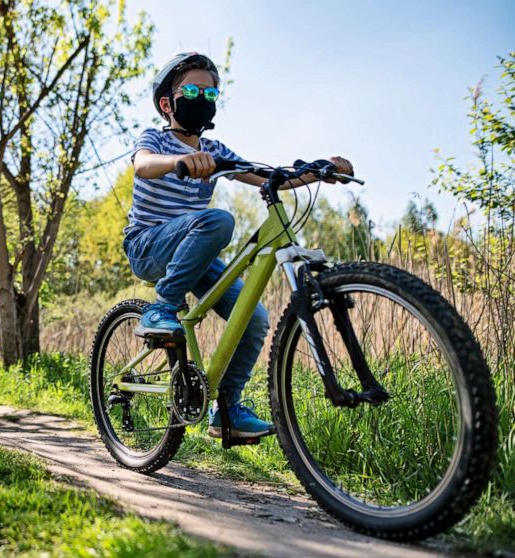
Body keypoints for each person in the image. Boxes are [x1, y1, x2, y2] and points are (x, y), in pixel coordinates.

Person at [124, 52, 354, 438]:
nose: (203, 98)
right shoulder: (155, 139)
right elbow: (142, 164)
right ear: (168, 103)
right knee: (219, 220)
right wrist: (179, 161)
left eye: (211, 93)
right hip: (148, 246)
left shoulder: (217, 151)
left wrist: (316, 171)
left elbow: (268, 177)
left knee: (255, 318)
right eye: (193, 90)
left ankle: (226, 409)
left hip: (192, 252)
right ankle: (162, 307)